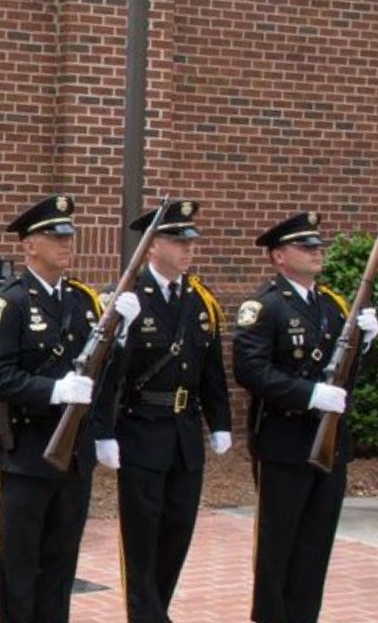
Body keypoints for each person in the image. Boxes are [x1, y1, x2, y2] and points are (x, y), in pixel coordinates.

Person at [0, 194, 140, 623]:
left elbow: (103, 379)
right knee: (19, 566)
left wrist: (121, 337)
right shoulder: (9, 302)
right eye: (54, 236)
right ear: (29, 244)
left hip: (73, 455)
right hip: (25, 454)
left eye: (68, 235)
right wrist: (55, 390)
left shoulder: (84, 302)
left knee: (60, 563)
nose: (66, 243)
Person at [232, 211, 378, 623]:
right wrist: (311, 394)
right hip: (283, 443)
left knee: (315, 547)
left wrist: (365, 345)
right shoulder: (263, 306)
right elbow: (250, 369)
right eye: (305, 247)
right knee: (277, 548)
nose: (317, 252)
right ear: (279, 256)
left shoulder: (333, 306)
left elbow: (347, 375)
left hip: (330, 444)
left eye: (318, 246)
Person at [90, 199, 232, 623]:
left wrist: (219, 422)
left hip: (185, 436)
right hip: (142, 430)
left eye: (191, 241)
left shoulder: (201, 299)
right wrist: (103, 431)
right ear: (152, 246)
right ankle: (146, 616)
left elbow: (212, 369)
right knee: (141, 536)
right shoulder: (130, 298)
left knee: (177, 532)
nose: (188, 249)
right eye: (177, 240)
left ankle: (158, 610)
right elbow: (105, 376)